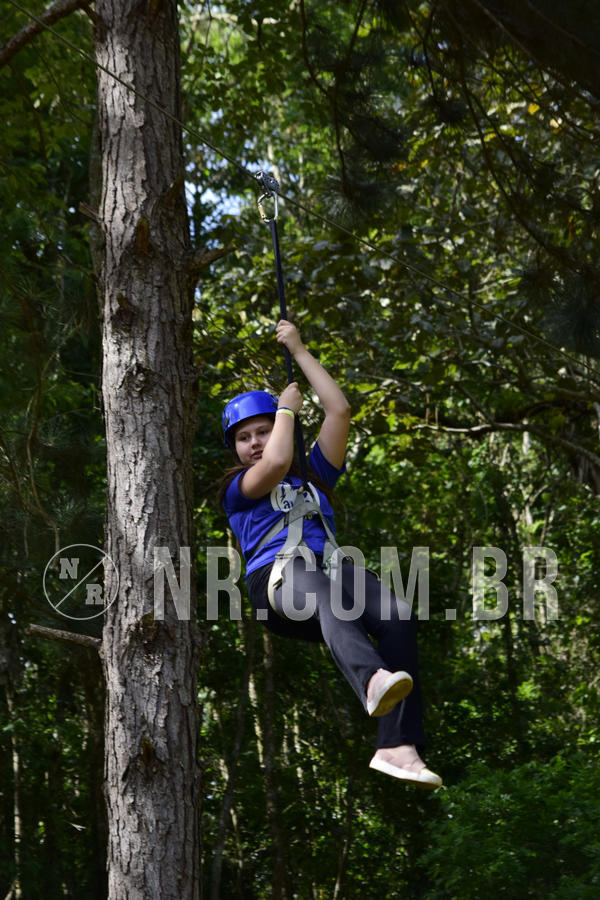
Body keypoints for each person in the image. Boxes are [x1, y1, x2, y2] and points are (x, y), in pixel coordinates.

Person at [219, 319, 442, 789]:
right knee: (325, 591)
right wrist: (284, 412)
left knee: (397, 613)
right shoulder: (240, 489)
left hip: (330, 576)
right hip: (276, 586)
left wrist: (299, 350)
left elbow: (339, 412)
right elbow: (276, 462)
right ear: (235, 450)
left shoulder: (316, 475)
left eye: (263, 430)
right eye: (244, 437)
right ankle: (371, 680)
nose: (256, 442)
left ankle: (396, 746)